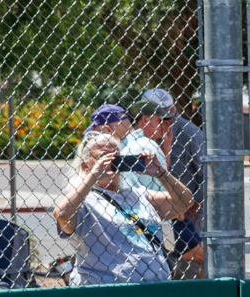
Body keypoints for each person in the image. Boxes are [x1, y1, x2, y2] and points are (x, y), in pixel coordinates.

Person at [53, 129, 191, 285]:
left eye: (116, 157)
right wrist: (93, 175)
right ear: (85, 165)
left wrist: (161, 173)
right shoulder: (84, 200)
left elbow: (184, 202)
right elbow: (62, 214)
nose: (110, 163)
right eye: (102, 158)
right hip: (106, 290)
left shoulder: (137, 194)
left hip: (154, 288)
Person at [136, 89, 205, 278]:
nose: (165, 118)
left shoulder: (189, 132)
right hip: (152, 206)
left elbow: (207, 177)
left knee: (190, 264)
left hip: (189, 213)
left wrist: (192, 204)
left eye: (168, 112)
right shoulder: (140, 135)